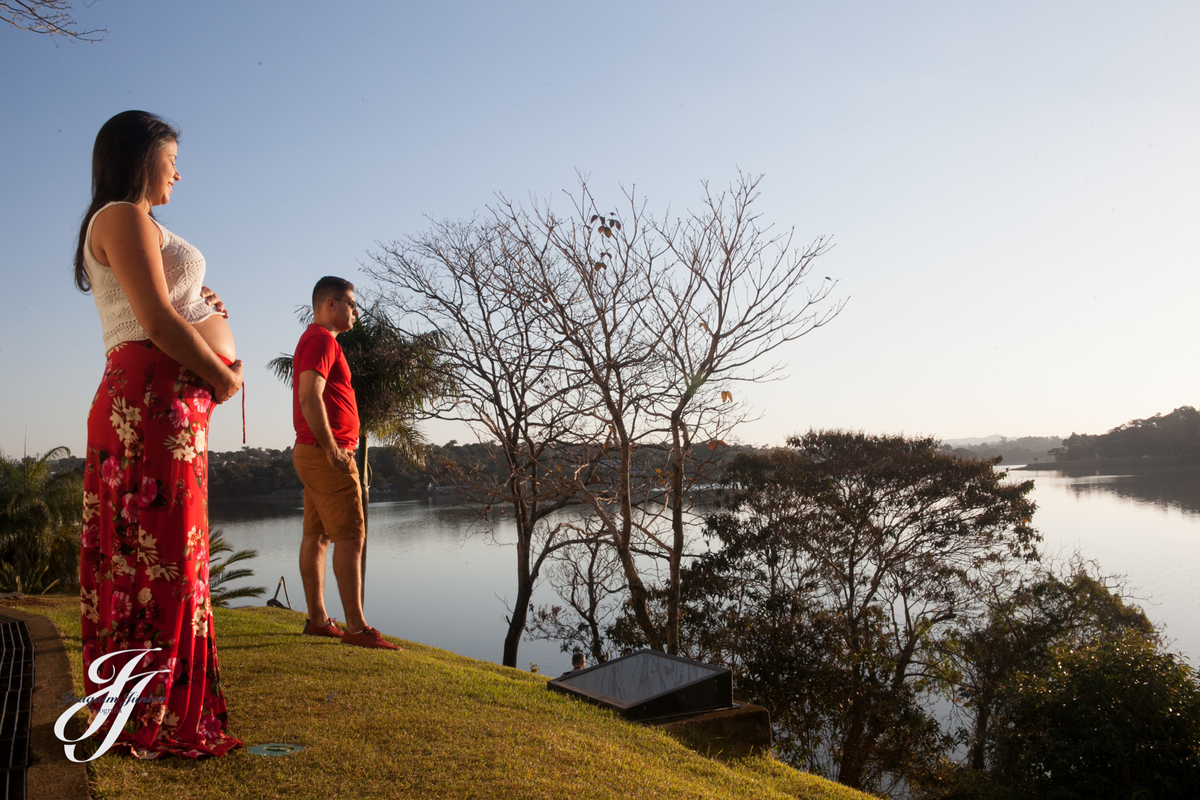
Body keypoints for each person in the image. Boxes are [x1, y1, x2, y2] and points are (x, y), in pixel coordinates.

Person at [74, 110, 243, 758]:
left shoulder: (140, 225)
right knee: (154, 560)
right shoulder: (120, 214)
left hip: (166, 402)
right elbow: (156, 321)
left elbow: (173, 306)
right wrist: (221, 377)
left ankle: (169, 707)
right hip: (147, 399)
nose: (179, 170)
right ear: (143, 156)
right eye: (171, 158)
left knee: (175, 558)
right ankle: (151, 715)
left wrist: (202, 300)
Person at [290, 276, 400, 650]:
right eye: (352, 303)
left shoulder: (318, 340)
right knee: (351, 538)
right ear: (331, 305)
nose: (356, 311)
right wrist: (333, 450)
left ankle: (319, 621)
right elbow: (309, 396)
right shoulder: (321, 339)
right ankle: (355, 628)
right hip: (327, 455)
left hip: (313, 453)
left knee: (317, 536)